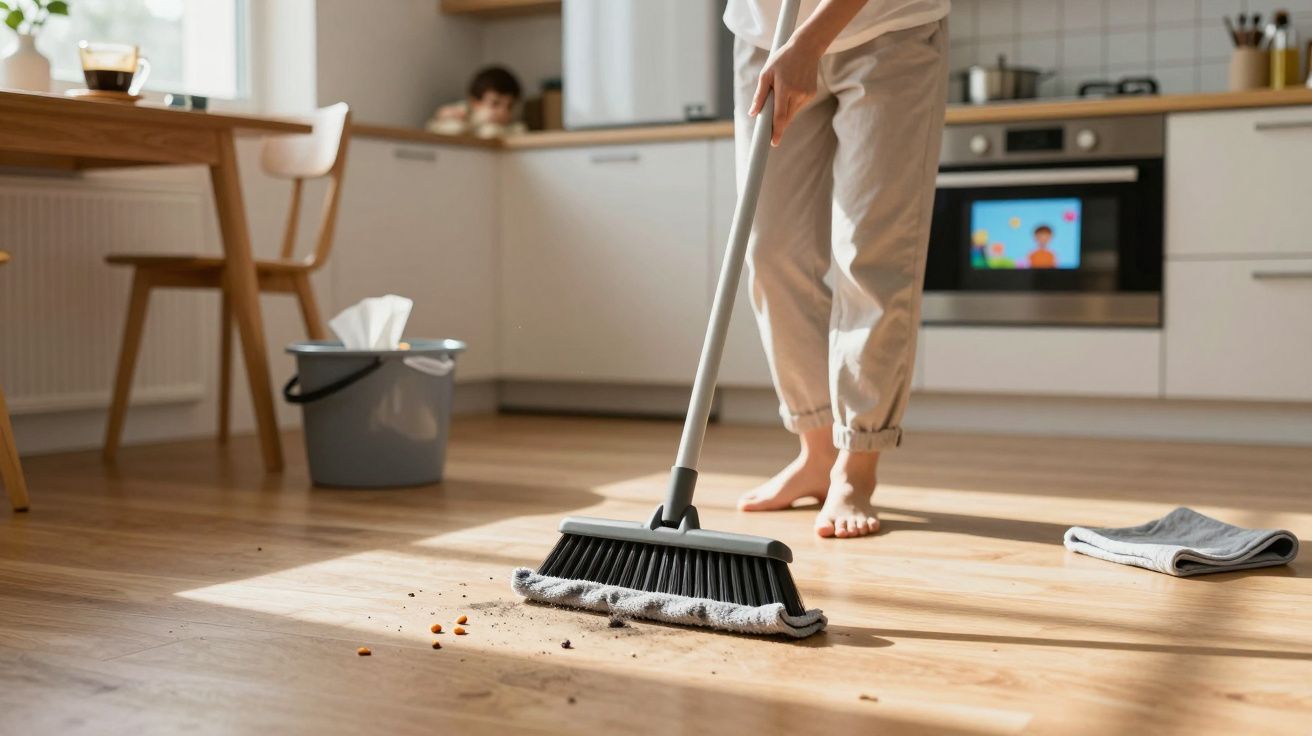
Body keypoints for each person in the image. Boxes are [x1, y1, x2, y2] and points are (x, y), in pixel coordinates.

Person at [726, 0, 949, 538]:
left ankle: (857, 462)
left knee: (871, 255)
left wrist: (810, 41)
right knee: (770, 249)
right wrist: (789, 43)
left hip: (888, 30)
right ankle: (817, 453)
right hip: (764, 38)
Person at [427, 66, 527, 139]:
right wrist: (474, 121)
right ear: (475, 103)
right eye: (495, 103)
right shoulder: (463, 114)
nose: (503, 111)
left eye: (509, 106)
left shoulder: (515, 128)